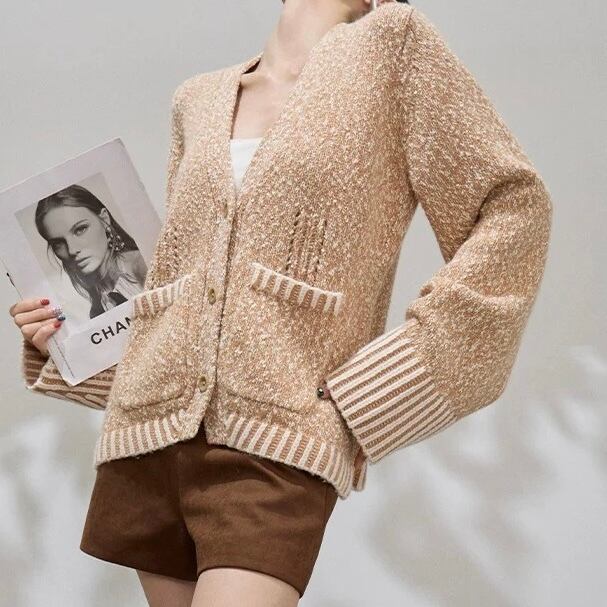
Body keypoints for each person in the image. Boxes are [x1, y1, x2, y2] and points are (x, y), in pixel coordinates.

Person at [9, 0, 552, 605]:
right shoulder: (197, 98)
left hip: (279, 437)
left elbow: (513, 206)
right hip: (148, 438)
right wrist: (67, 343)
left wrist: (383, 388)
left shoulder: (393, 48)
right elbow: (188, 286)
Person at [33, 183, 146, 321]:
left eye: (80, 229)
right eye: (58, 243)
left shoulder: (143, 265)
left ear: (104, 219)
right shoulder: (98, 307)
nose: (72, 250)